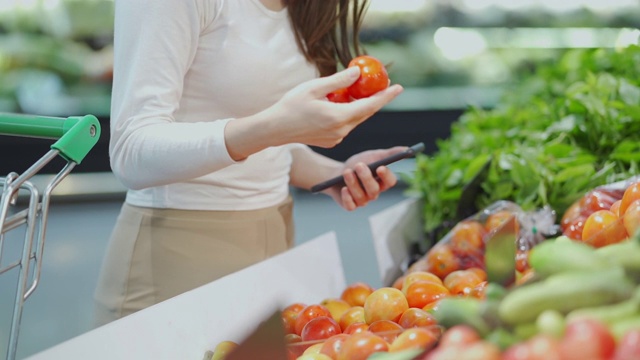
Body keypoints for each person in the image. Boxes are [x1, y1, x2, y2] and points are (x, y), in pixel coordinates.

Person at [93, 0, 404, 326]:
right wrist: (272, 127)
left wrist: (332, 173)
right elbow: (131, 151)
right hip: (176, 259)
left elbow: (266, 146)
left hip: (274, 246)